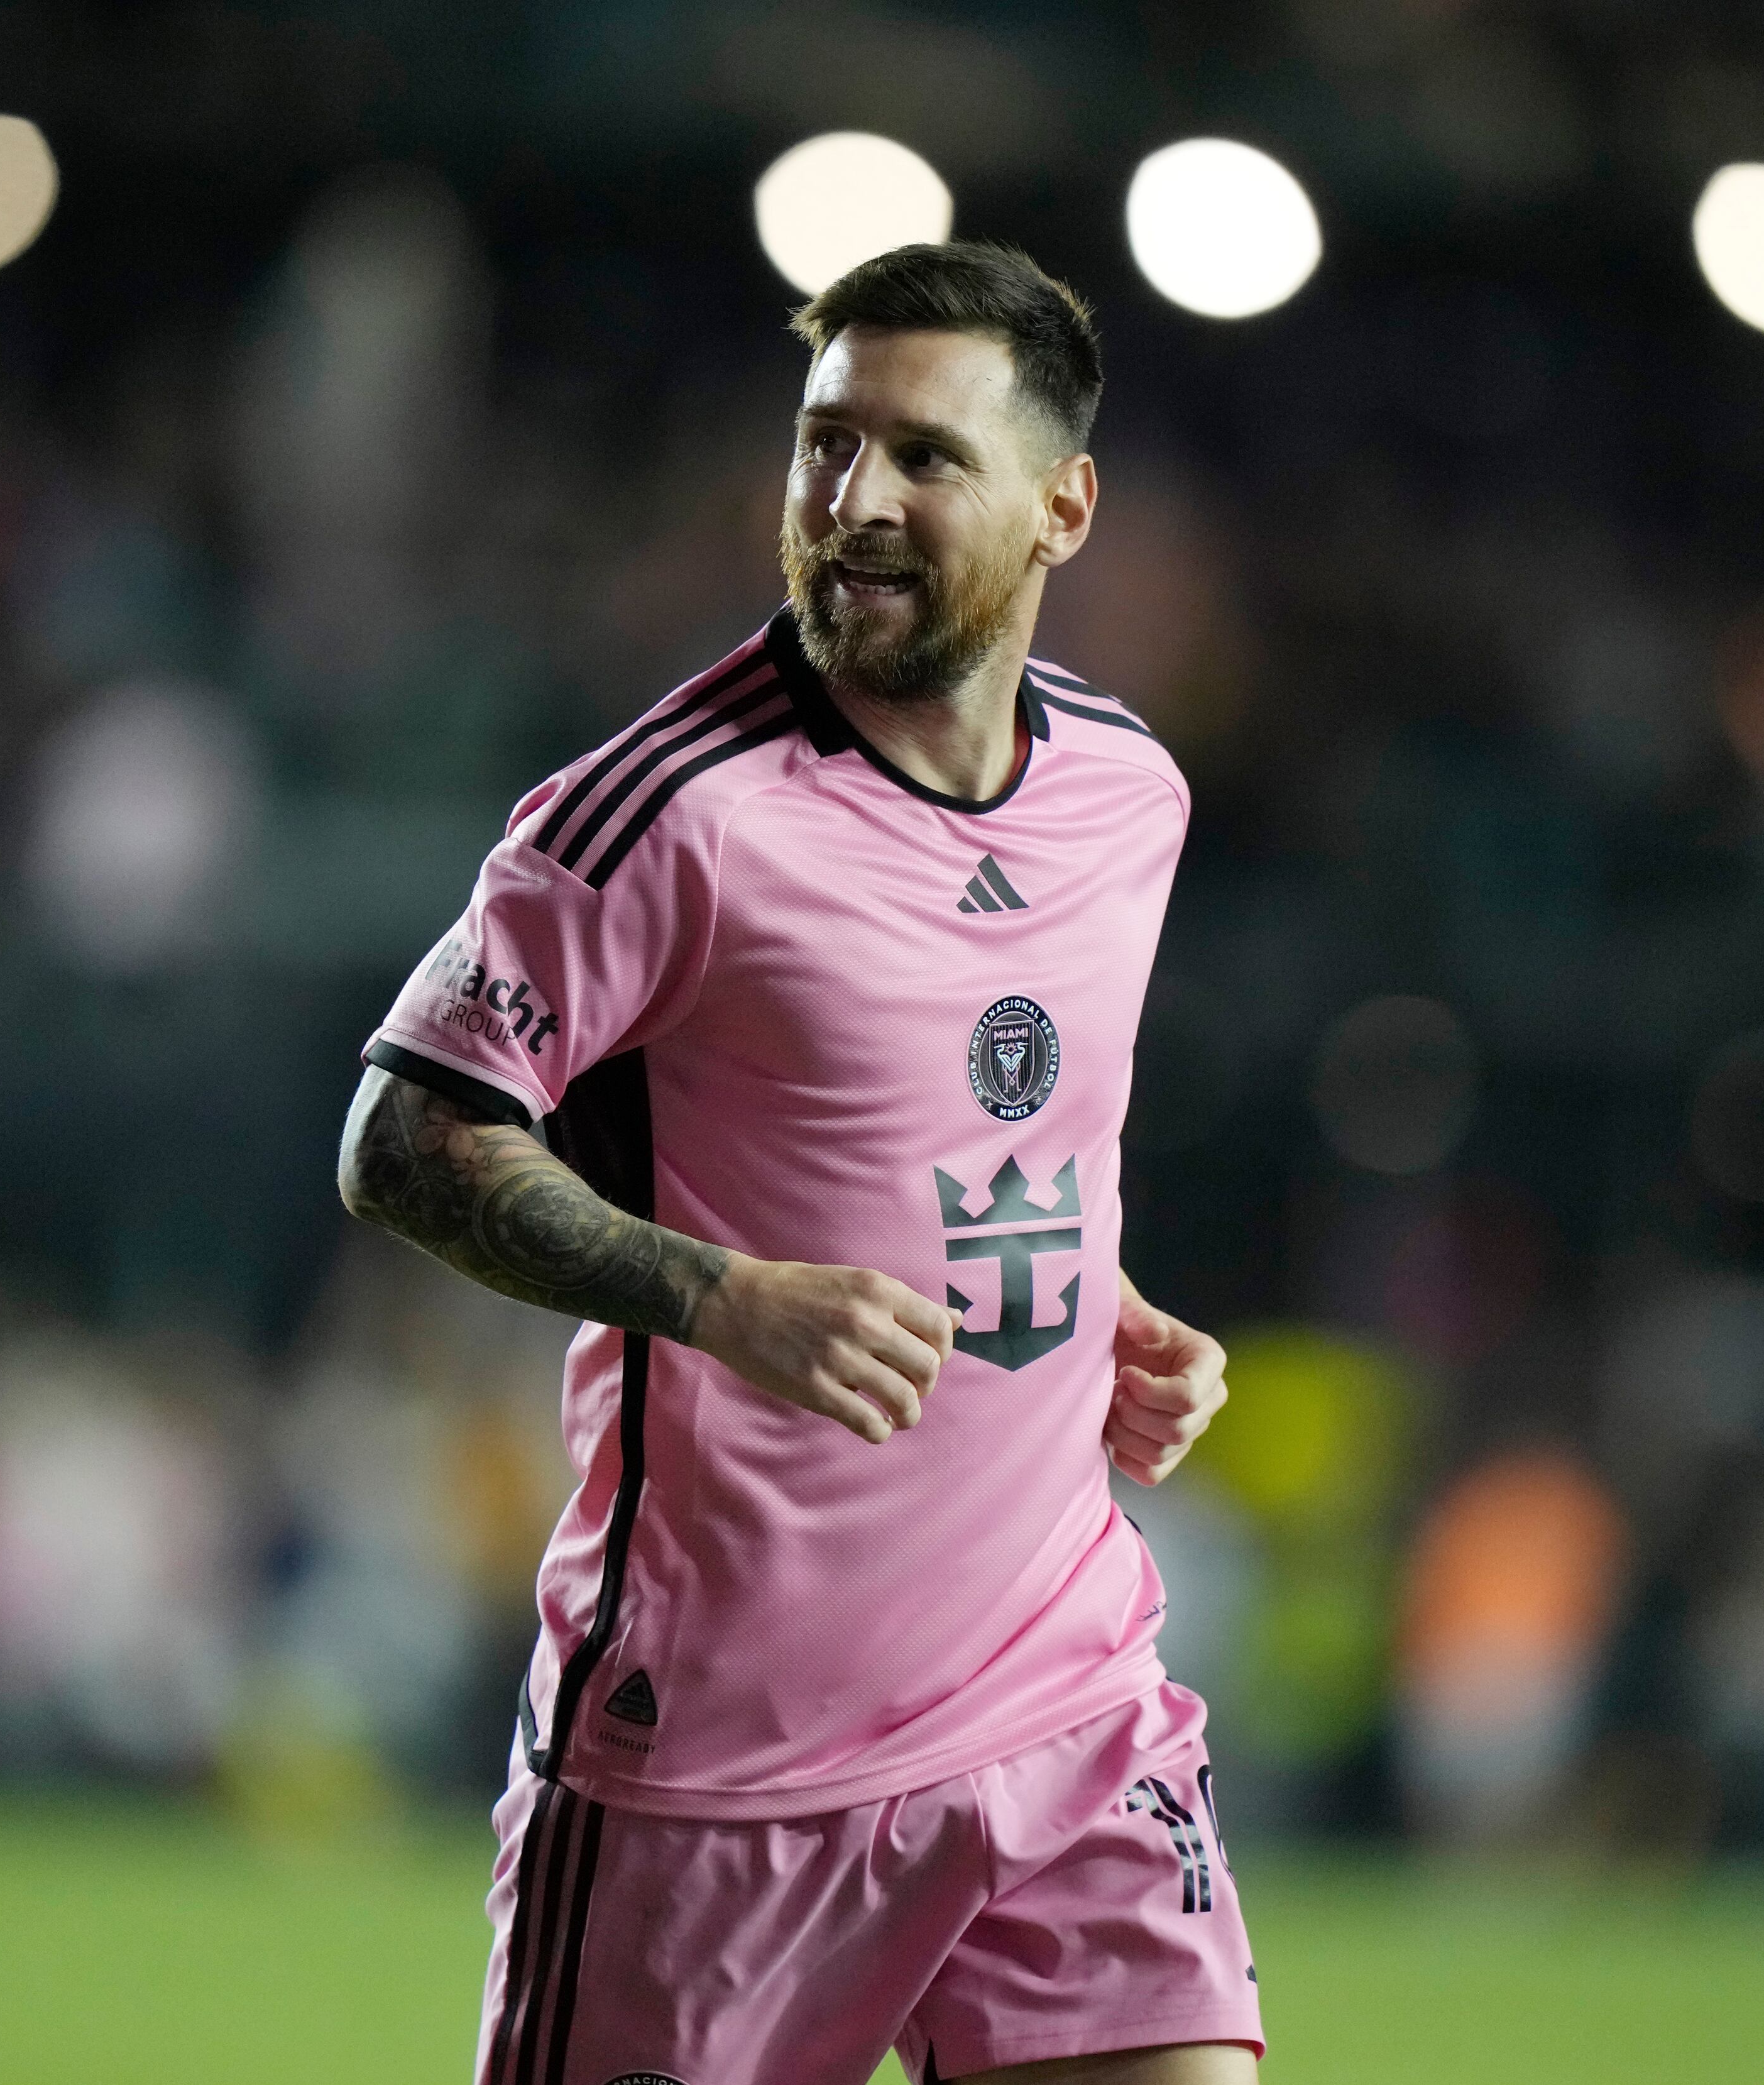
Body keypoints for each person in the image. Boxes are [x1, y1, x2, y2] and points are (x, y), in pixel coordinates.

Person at [337, 241, 1256, 2085]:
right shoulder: (666, 811)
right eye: (825, 446)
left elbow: (989, 1139)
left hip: (1063, 1694)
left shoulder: (1127, 794)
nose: (856, 501)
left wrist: (1103, 1308)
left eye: (925, 456)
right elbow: (404, 1134)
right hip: (718, 1759)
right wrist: (717, 1296)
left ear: (1063, 506)